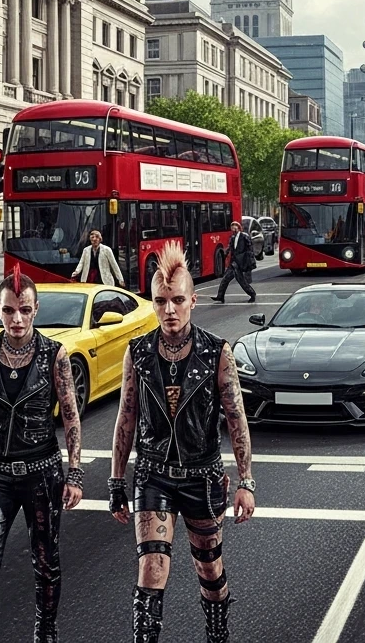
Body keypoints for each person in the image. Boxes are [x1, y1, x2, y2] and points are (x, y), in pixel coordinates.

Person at [108, 241, 255, 643]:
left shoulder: (216, 352)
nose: (169, 310)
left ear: (193, 300)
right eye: (160, 301)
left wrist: (246, 481)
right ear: (151, 303)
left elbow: (235, 417)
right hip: (153, 474)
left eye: (176, 300)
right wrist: (116, 481)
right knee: (152, 568)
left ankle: (217, 632)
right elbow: (126, 418)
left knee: (208, 569)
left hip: (202, 477)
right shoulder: (137, 353)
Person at [0, 270, 84, 642]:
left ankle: (46, 632)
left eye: (25, 310)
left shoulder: (53, 354)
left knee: (46, 564)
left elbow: (71, 415)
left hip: (42, 475)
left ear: (35, 309)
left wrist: (74, 474)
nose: (17, 319)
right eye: (9, 311)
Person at [211, 220, 256, 304]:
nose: (233, 228)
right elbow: (230, 248)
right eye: (232, 226)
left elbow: (250, 248)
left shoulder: (244, 236)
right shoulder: (232, 238)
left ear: (238, 227)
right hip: (234, 262)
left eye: (234, 226)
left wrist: (250, 259)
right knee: (225, 279)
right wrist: (224, 254)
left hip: (240, 262)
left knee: (241, 281)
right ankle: (220, 297)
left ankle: (252, 294)